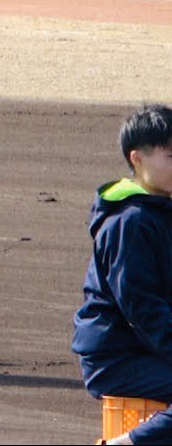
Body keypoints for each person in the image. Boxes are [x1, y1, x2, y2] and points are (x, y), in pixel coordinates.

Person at [72, 105, 172, 446]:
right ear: (137, 159)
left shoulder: (160, 213)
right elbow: (141, 310)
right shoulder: (129, 223)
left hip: (147, 348)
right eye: (171, 156)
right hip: (116, 358)